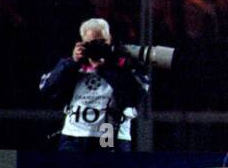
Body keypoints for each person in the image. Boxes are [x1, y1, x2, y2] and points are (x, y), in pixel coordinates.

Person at [39, 18, 147, 151]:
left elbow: (137, 94)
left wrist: (106, 67)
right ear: (82, 43)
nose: (98, 47)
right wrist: (72, 62)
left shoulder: (125, 63)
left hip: (110, 132)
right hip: (74, 133)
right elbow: (46, 88)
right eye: (92, 43)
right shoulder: (73, 64)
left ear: (110, 39)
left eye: (102, 42)